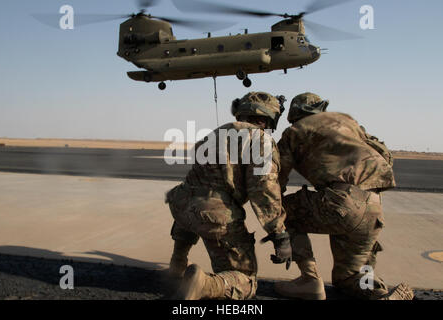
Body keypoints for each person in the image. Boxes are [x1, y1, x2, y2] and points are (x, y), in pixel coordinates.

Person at [275, 92, 414, 300]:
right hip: (373, 207)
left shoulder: (295, 131)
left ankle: (309, 280)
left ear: (295, 114)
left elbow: (276, 179)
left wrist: (274, 219)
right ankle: (378, 293)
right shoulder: (348, 122)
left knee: (282, 211)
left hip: (341, 203)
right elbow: (384, 154)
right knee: (349, 279)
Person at [166, 92, 292, 300]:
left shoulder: (215, 134)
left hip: (181, 204)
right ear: (268, 118)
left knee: (194, 203)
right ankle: (204, 284)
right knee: (245, 280)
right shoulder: (261, 140)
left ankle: (177, 263)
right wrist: (279, 234)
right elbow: (263, 190)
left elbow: (197, 179)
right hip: (214, 215)